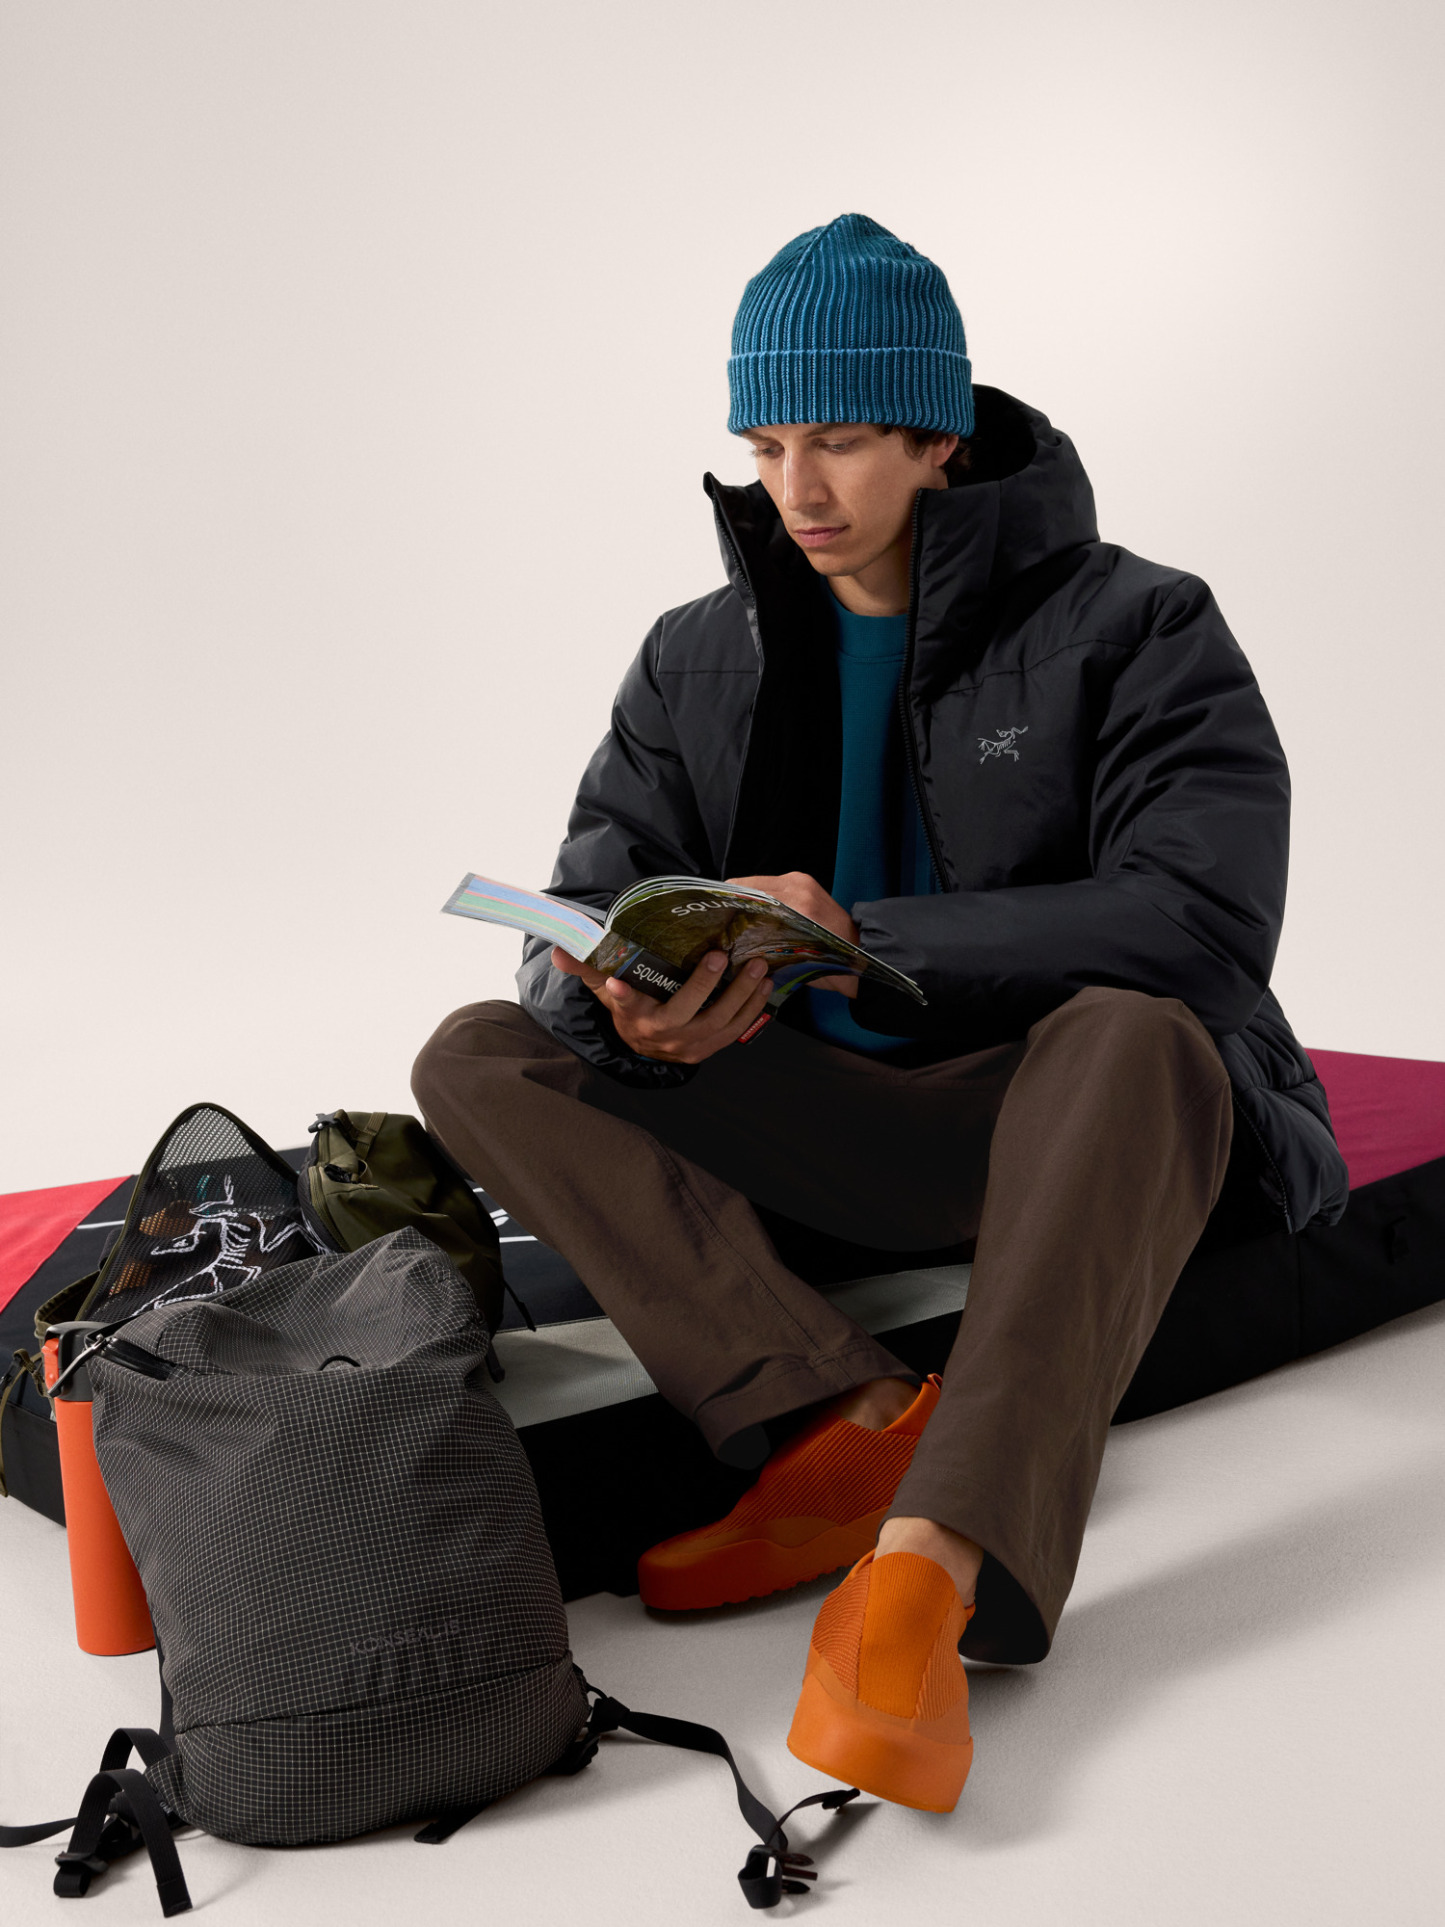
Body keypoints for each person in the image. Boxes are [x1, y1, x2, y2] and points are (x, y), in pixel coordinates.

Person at [412, 214, 1345, 1813]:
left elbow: (1203, 925)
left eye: (839, 438)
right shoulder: (693, 657)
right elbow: (586, 904)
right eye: (765, 445)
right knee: (477, 1052)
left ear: (936, 438)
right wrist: (627, 1010)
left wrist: (862, 941)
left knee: (1136, 1030)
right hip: (818, 1131)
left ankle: (925, 1568)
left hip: (1063, 1119)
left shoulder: (1136, 624)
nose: (799, 487)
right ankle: (842, 1421)